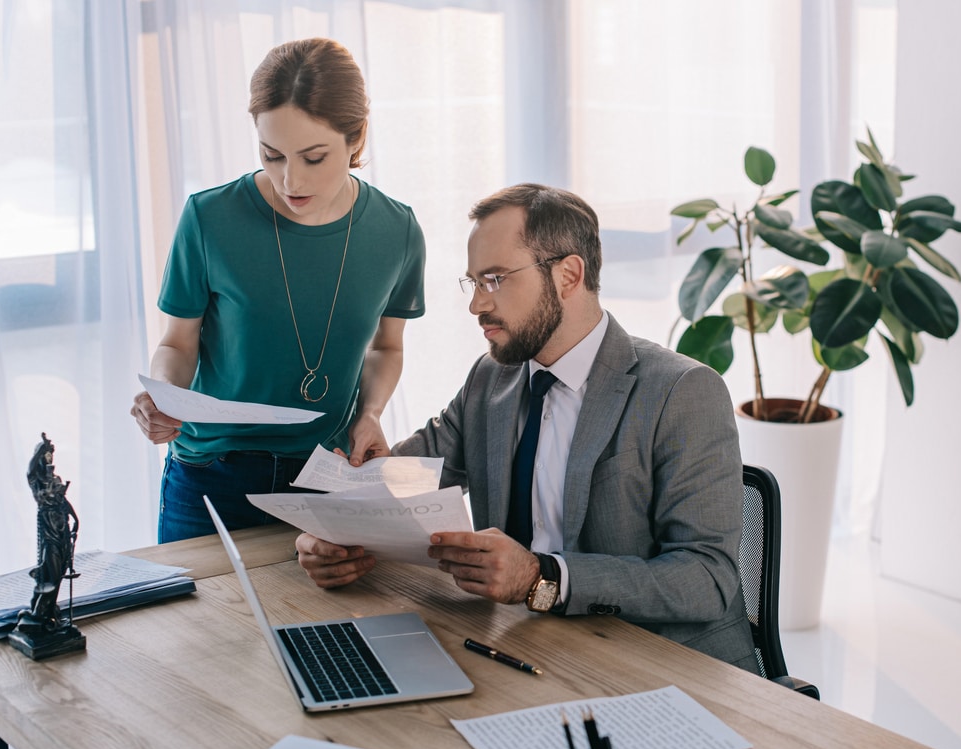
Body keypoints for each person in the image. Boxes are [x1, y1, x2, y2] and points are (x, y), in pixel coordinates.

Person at [296, 184, 756, 671]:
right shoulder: (492, 377)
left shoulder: (682, 390)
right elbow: (406, 479)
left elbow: (708, 578)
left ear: (568, 275)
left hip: (663, 666)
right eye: (472, 282)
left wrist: (542, 578)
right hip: (531, 649)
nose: (476, 305)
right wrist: (330, 529)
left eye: (494, 279)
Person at [131, 38, 425, 542]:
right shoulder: (209, 218)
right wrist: (165, 397)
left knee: (316, 622)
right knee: (196, 623)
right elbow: (177, 343)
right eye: (272, 155)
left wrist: (370, 414)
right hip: (210, 476)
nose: (290, 180)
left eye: (314, 157)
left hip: (324, 475)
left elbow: (387, 346)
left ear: (356, 140)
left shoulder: (396, 230)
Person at [15, 434, 79, 633]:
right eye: (46, 455)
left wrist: (75, 524)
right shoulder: (37, 480)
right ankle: (40, 614)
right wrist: (42, 448)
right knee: (48, 574)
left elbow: (65, 505)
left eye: (51, 455)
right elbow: (31, 469)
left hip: (62, 529)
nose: (50, 458)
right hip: (48, 531)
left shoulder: (54, 479)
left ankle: (49, 610)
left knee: (58, 572)